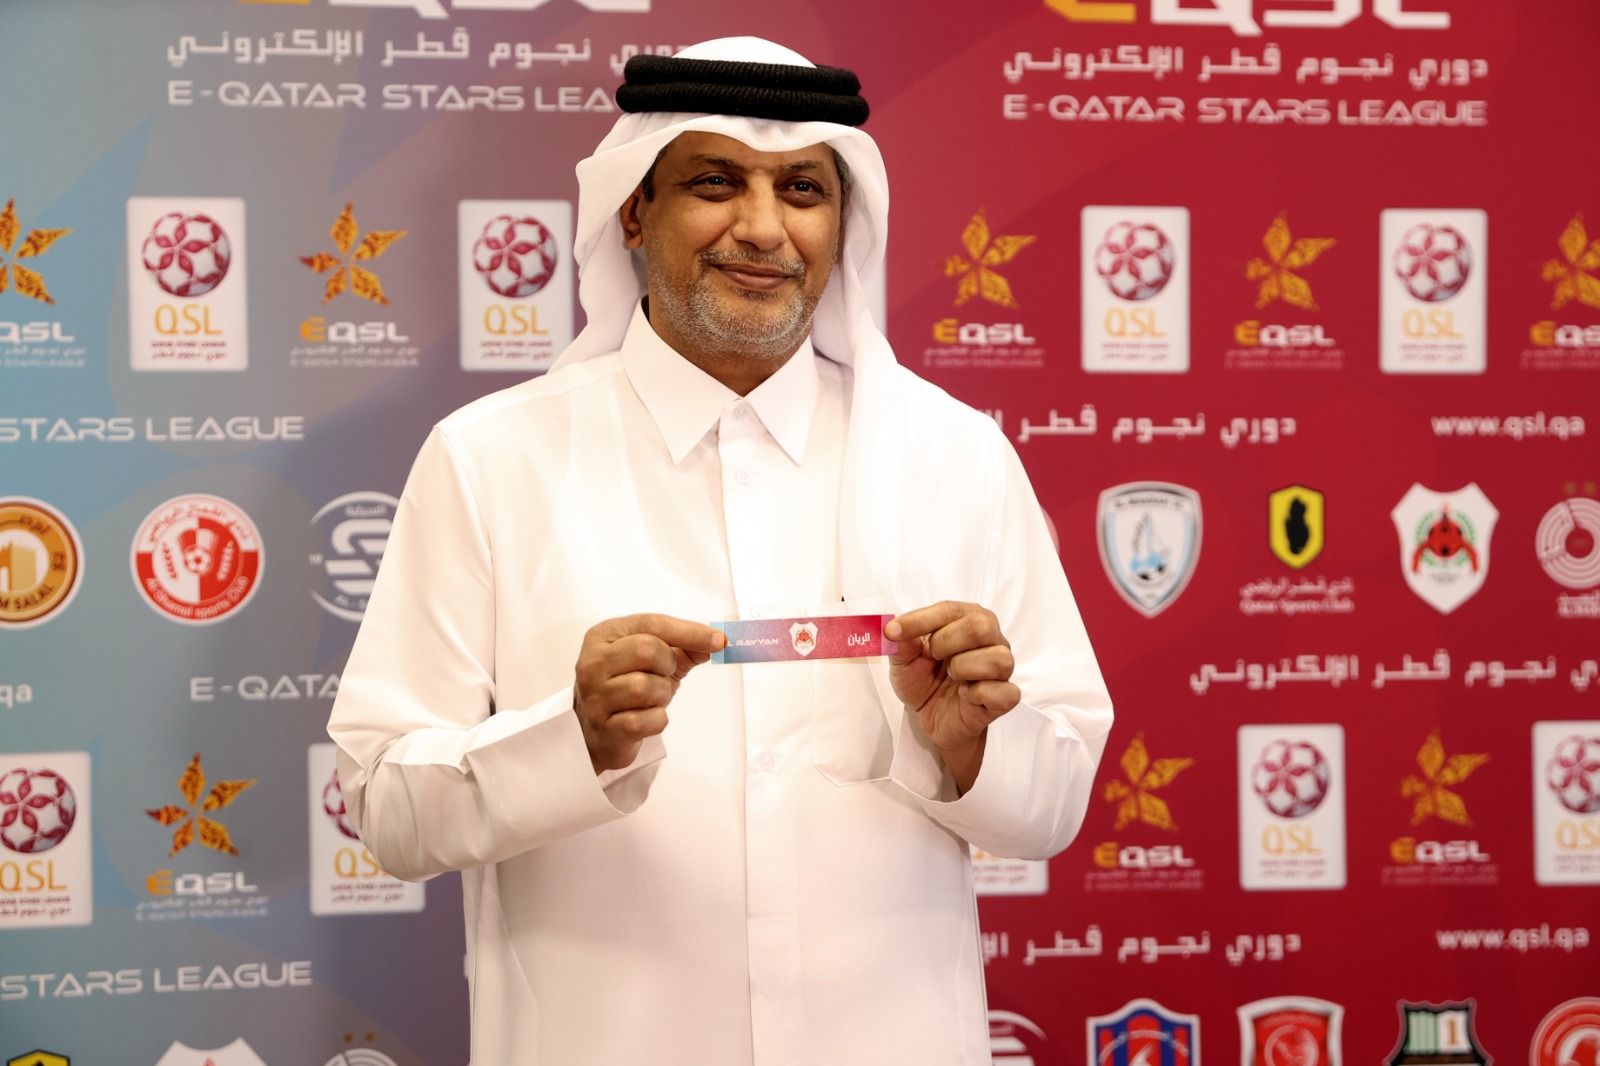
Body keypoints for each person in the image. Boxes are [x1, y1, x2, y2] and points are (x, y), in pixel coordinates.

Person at [328, 36, 1112, 1066]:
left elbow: (1054, 802)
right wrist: (571, 741)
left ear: (843, 223)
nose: (763, 227)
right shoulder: (491, 459)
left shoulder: (955, 456)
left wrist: (971, 746)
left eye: (802, 189)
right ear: (633, 212)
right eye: (714, 182)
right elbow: (386, 809)